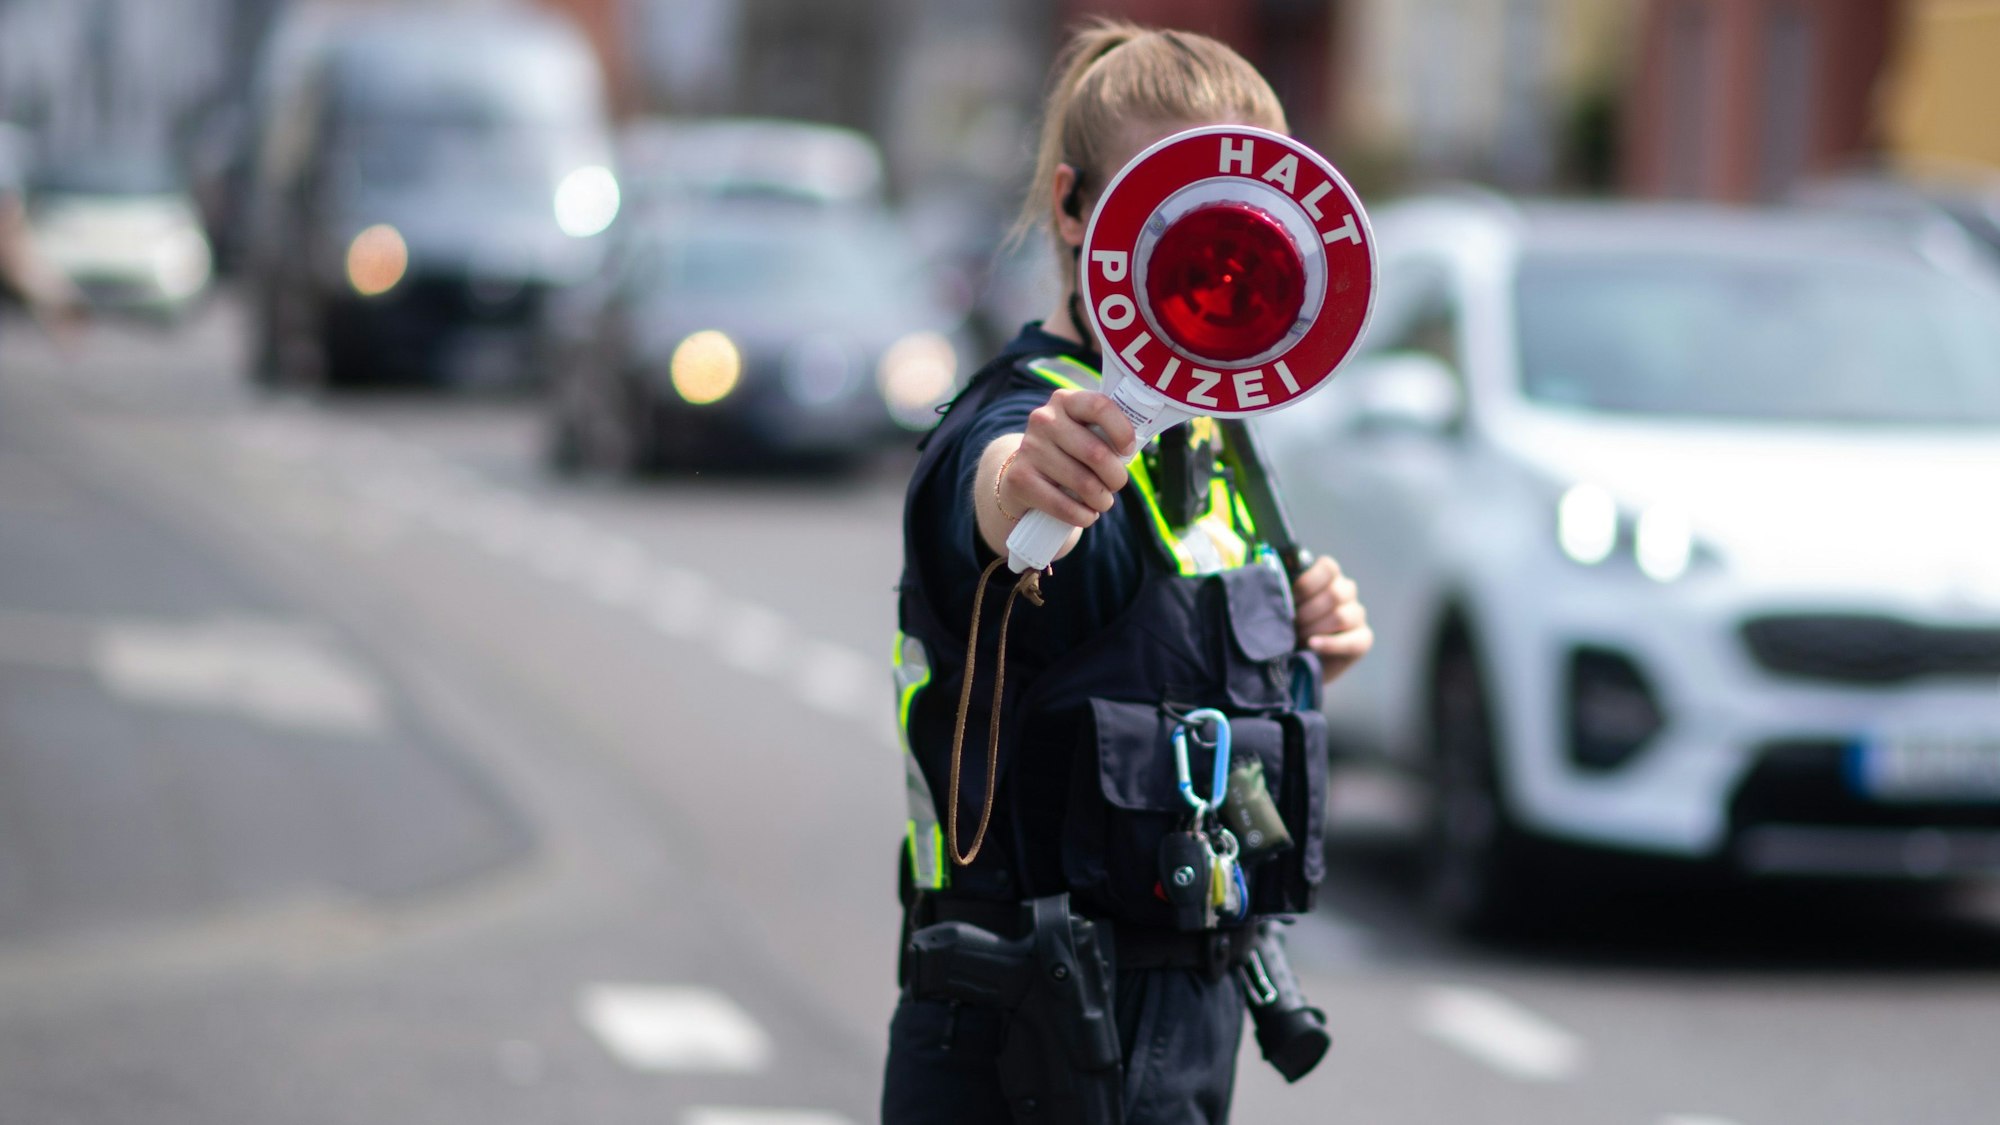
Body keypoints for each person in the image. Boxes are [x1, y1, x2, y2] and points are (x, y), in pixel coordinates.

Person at [885, 20, 1373, 1125]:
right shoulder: (1015, 419)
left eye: (1236, 219)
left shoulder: (1221, 447)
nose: (1211, 252)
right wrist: (1023, 488)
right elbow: (996, 497)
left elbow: (1165, 689)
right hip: (1021, 1047)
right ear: (1073, 209)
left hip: (1182, 1042)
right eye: (1170, 212)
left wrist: (1305, 661)